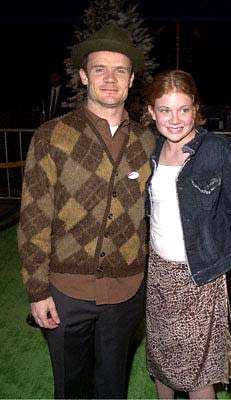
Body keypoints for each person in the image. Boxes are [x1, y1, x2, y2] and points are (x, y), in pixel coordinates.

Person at [18, 23, 155, 399]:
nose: (110, 79)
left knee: (113, 389)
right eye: (100, 69)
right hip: (65, 293)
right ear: (83, 75)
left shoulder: (147, 140)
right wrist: (37, 289)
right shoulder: (52, 135)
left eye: (120, 70)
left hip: (127, 293)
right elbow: (33, 218)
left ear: (131, 79)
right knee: (71, 389)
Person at [143, 69, 231, 399]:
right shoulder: (149, 149)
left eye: (183, 109)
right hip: (157, 273)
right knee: (161, 357)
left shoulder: (216, 150)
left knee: (197, 370)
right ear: (152, 112)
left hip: (200, 275)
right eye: (165, 110)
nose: (175, 119)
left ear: (196, 108)